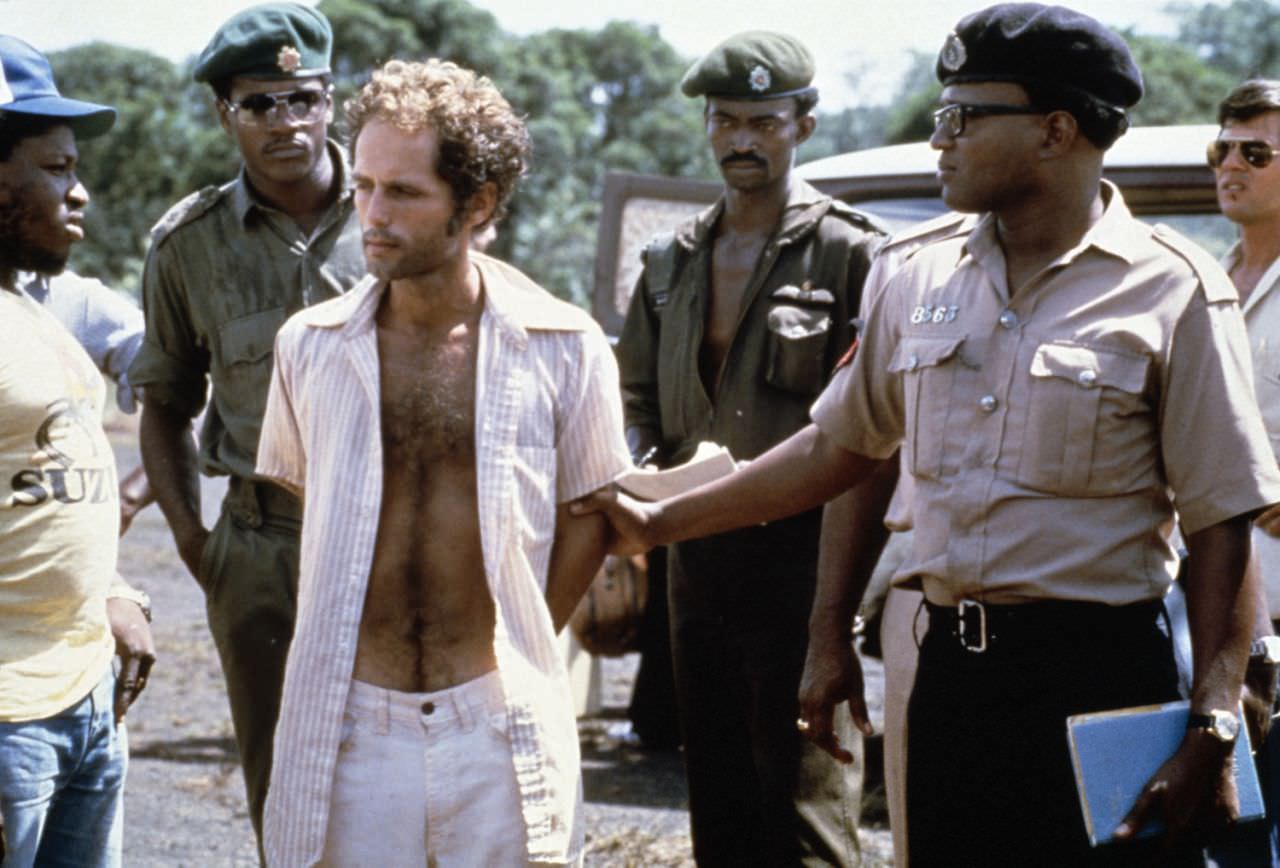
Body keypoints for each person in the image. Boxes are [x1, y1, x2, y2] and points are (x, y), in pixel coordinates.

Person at [576, 5, 1280, 866]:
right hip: (950, 670)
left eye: (962, 118)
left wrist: (1214, 717)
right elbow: (844, 450)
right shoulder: (912, 274)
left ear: (1055, 131)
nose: (940, 138)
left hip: (1099, 675)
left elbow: (1223, 516)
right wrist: (696, 546)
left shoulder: (1172, 291)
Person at [256, 59, 630, 867]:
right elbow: (306, 510)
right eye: (362, 186)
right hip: (352, 721)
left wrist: (524, 645)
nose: (373, 215)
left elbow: (592, 516)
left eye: (404, 192)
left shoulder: (565, 346)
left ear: (478, 203)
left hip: (498, 721)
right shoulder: (310, 347)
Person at [613, 30, 883, 866]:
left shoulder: (854, 253)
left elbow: (874, 427)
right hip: (696, 562)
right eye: (725, 120)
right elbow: (637, 403)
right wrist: (638, 490)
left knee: (807, 811)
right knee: (720, 809)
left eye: (762, 122)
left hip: (809, 566)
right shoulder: (670, 261)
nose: (740, 140)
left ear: (803, 124)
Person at [127, 2, 364, 845]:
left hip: (391, 536)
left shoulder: (397, 216)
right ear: (225, 114)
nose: (286, 121)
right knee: (283, 794)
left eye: (304, 96)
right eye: (260, 103)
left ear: (333, 100)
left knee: (399, 774)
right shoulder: (187, 245)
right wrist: (200, 547)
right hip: (261, 550)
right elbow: (164, 402)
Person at [0, 35, 155, 867]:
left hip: (85, 698)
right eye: (56, 167)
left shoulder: (31, 309)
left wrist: (114, 587)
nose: (80, 190)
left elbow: (45, 478)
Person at [1205, 78, 1280, 868]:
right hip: (1218, 627)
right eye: (1220, 149)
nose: (1230, 163)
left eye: (1254, 152)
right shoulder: (1205, 279)